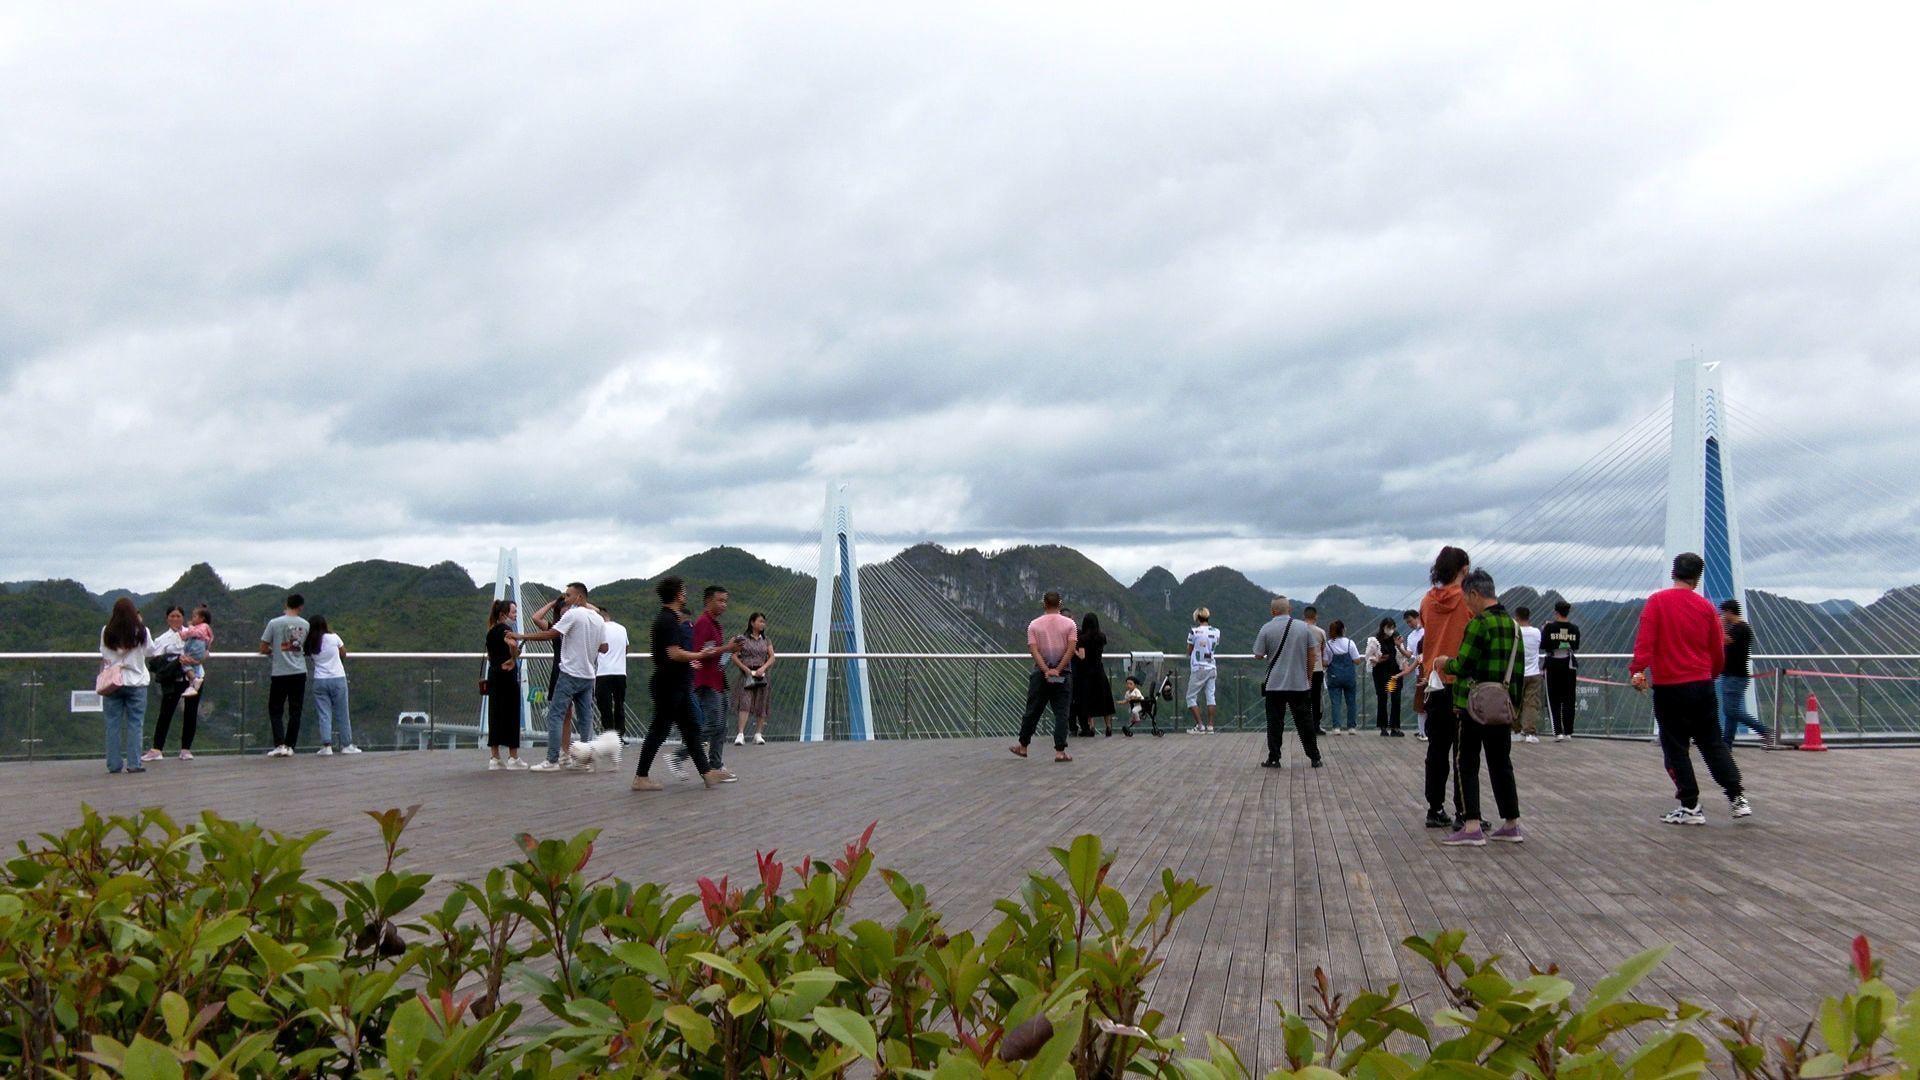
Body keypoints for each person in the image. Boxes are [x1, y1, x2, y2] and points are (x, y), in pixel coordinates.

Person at [1631, 553, 1752, 824]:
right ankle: (1737, 797)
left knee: (1676, 747)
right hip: (1702, 686)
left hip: (1669, 688)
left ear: (1673, 573)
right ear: (1697, 578)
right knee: (1713, 744)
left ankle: (1691, 806)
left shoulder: (1657, 602)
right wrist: (1711, 675)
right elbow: (1718, 652)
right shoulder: (1707, 608)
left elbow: (1644, 644)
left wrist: (1637, 670)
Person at [1435, 569, 1525, 846]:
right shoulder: (1514, 626)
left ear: (1474, 593)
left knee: (1467, 762)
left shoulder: (1479, 624)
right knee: (1501, 764)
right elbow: (1518, 672)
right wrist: (1515, 709)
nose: (1466, 604)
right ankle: (1511, 824)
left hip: (1472, 706)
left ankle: (1471, 824)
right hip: (1501, 708)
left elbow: (1463, 665)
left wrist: (1443, 663)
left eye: (1466, 598)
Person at [630, 576, 735, 790]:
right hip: (669, 684)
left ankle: (707, 773)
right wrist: (699, 654)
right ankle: (641, 777)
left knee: (691, 730)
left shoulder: (669, 618)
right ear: (678, 594)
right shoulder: (667, 620)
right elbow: (674, 653)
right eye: (683, 590)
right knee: (659, 730)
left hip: (677, 684)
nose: (685, 594)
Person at [512, 582, 606, 773]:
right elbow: (604, 648)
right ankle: (585, 761)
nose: (566, 599)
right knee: (585, 719)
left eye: (569, 595)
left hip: (570, 673)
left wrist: (522, 636)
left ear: (578, 597)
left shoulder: (573, 614)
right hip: (589, 675)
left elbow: (551, 634)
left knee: (556, 715)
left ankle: (552, 760)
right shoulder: (597, 619)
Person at [1418, 548, 1472, 828]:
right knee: (1464, 751)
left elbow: (1427, 628)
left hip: (1434, 683)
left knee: (1437, 749)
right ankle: (1465, 811)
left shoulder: (1427, 601)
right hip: (1462, 681)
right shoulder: (1467, 600)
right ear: (1464, 569)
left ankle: (1434, 808)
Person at [674, 585, 737, 778]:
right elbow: (703, 652)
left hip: (717, 679)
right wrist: (728, 647)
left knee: (722, 725)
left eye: (725, 601)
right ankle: (679, 756)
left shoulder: (715, 624)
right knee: (713, 724)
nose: (724, 605)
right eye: (720, 600)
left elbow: (712, 652)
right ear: (708, 601)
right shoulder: (704, 623)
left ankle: (716, 765)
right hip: (707, 681)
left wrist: (728, 648)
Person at [1252, 596, 1321, 768]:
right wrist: (1309, 677)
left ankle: (1274, 757)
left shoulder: (1266, 629)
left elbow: (1259, 655)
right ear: (1289, 609)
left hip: (1274, 684)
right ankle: (1314, 757)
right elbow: (1312, 653)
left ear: (1272, 611)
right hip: (1299, 683)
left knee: (1275, 722)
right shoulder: (1303, 628)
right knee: (1305, 721)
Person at [1009, 591, 1077, 763]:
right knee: (1062, 713)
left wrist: (1046, 669)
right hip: (1064, 675)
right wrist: (1058, 669)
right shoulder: (1070, 624)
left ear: (1044, 604)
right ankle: (1060, 752)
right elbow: (1070, 650)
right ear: (1060, 604)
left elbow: (1034, 650)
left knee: (1032, 711)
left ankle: (1023, 746)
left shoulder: (1034, 625)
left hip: (1041, 675)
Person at [98, 597, 157, 774]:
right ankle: (134, 763)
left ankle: (114, 764)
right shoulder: (142, 631)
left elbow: (103, 652)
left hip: (113, 683)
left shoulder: (106, 631)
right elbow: (151, 651)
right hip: (136, 682)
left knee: (112, 724)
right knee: (135, 723)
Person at [258, 594, 310, 757]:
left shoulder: (274, 623)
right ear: (300, 607)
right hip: (299, 671)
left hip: (280, 672)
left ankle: (279, 744)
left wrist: (273, 651)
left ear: (286, 604)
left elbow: (263, 647)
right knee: (295, 710)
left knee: (276, 709)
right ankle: (290, 746)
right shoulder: (305, 624)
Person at [1719, 600, 1773, 749]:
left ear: (1730, 611)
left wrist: (1721, 625)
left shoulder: (1740, 628)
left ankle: (1764, 731)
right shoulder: (1738, 628)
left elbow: (1726, 640)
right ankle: (1727, 743)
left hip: (1736, 676)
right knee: (1731, 711)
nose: (1723, 616)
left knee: (1732, 710)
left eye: (1724, 612)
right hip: (1732, 675)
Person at [304, 616, 360, 755]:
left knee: (324, 714)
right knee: (342, 713)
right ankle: (347, 745)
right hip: (337, 678)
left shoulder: (310, 642)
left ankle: (327, 746)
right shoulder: (334, 637)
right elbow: (344, 653)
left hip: (320, 680)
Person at [142, 606, 190, 763]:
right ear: (167, 618)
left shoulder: (192, 634)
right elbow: (156, 661)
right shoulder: (162, 639)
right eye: (172, 616)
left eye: (178, 616)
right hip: (171, 680)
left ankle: (186, 749)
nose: (175, 619)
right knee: (165, 714)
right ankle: (157, 749)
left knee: (190, 714)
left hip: (190, 678)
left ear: (183, 618)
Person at [485, 600, 528, 769]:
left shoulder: (491, 631)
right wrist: (513, 652)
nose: (515, 615)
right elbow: (513, 649)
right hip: (507, 675)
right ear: (503, 614)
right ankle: (513, 757)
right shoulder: (507, 631)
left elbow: (490, 655)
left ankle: (495, 758)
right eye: (513, 612)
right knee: (511, 713)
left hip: (494, 674)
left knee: (495, 713)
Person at [733, 613, 775, 745]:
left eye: (764, 622)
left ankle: (758, 733)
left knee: (762, 702)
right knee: (745, 702)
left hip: (762, 674)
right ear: (752, 623)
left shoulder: (766, 640)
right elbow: (734, 656)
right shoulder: (743, 639)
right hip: (747, 674)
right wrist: (746, 669)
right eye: (760, 621)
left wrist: (763, 668)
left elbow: (772, 656)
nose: (762, 624)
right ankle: (741, 733)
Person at [1541, 600, 1581, 741]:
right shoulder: (1574, 629)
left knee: (1553, 698)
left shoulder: (1549, 628)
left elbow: (1544, 645)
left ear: (1556, 612)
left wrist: (1545, 629)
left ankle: (1558, 731)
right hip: (1569, 664)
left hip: (1553, 663)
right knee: (1569, 698)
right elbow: (1575, 646)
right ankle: (1569, 731)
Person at [1075, 613, 1119, 736]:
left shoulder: (1082, 639)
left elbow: (1082, 656)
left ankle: (1091, 726)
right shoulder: (1101, 637)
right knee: (1104, 698)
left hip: (1087, 673)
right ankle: (1108, 726)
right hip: (1099, 670)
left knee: (1089, 699)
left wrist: (1073, 650)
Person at [1364, 616, 1407, 737]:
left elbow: (1403, 654)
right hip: (1381, 673)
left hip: (1395, 672)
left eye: (1393, 627)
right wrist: (1379, 659)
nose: (1391, 630)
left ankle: (1395, 727)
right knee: (1382, 698)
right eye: (1389, 627)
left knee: (1396, 698)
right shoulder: (1375, 641)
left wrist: (1399, 645)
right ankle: (1383, 726)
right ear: (1383, 627)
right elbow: (1369, 657)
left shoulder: (1396, 638)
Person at [595, 608, 630, 741]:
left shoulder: (599, 629)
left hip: (604, 673)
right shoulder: (622, 628)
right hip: (620, 672)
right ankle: (620, 735)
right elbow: (625, 649)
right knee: (619, 704)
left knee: (605, 706)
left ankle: (609, 735)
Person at [1185, 607, 1221, 734]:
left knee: (1190, 697)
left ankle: (1200, 725)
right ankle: (1210, 726)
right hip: (1211, 667)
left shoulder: (1194, 632)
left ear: (1197, 618)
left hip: (1198, 668)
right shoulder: (1216, 631)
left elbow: (1189, 651)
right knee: (1210, 696)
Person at [1323, 620, 1362, 734]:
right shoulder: (1350, 643)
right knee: (1351, 701)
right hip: (1349, 677)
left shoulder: (1328, 644)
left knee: (1335, 702)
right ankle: (1351, 727)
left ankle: (1336, 727)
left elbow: (1325, 663)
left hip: (1334, 677)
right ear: (1343, 629)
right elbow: (1357, 660)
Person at [1514, 607, 1546, 744]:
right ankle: (1529, 733)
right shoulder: (1537, 632)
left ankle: (1516, 730)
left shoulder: (1514, 631)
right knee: (1531, 704)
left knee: (1515, 702)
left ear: (1516, 617)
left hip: (1517, 673)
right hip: (1534, 673)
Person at [1302, 606, 1329, 736]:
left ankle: (1303, 725)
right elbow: (1324, 650)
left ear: (1304, 616)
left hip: (1301, 669)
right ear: (1315, 616)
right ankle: (1316, 725)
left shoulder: (1298, 630)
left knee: (1302, 698)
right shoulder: (1321, 632)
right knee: (1316, 698)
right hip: (1317, 669)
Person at [1402, 610, 1427, 741]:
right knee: (1420, 702)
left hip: (1428, 670)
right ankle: (1422, 731)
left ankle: (1425, 731)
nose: (1410, 624)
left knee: (1426, 702)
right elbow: (1411, 654)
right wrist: (1400, 648)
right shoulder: (1411, 636)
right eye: (1407, 623)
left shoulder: (1427, 630)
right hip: (1420, 670)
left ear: (1417, 618)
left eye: (1410, 621)